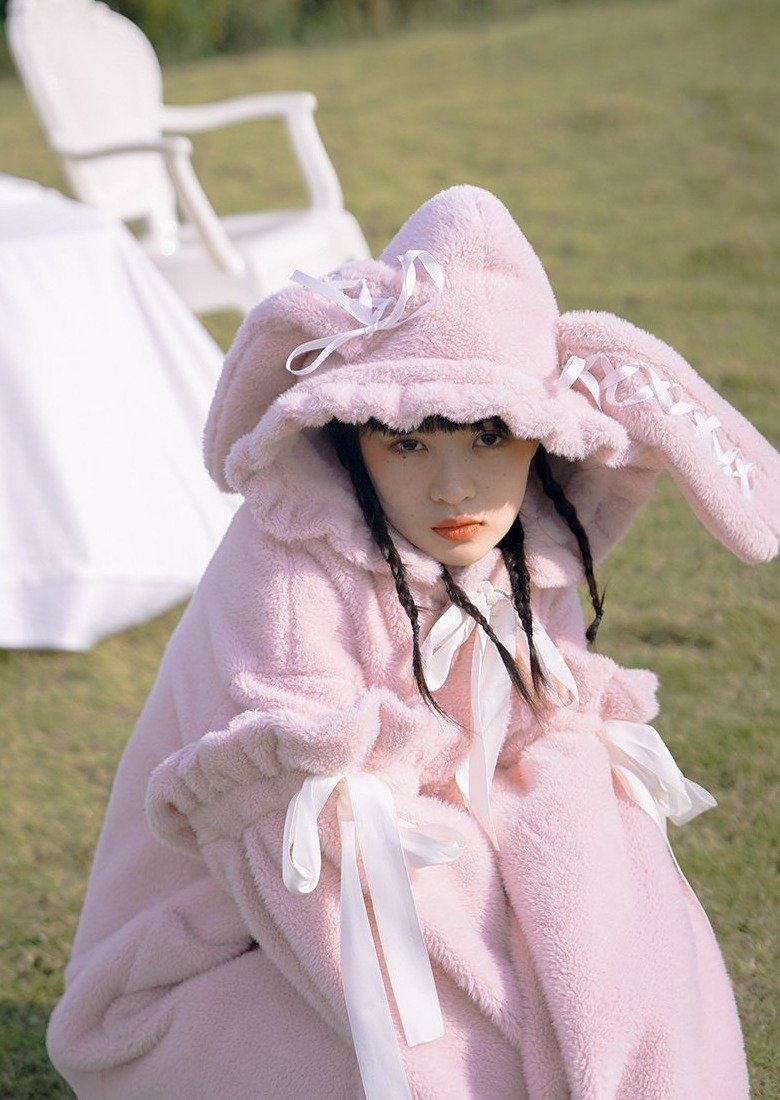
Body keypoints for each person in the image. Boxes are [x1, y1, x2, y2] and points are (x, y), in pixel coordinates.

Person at [47, 186, 778, 1099]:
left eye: (490, 435)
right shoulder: (284, 576)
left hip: (438, 899)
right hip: (223, 952)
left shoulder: (524, 553)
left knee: (615, 858)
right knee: (479, 1069)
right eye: (408, 443)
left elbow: (546, 779)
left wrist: (591, 943)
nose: (454, 487)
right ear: (352, 436)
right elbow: (311, 865)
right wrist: (522, 1007)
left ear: (541, 436)